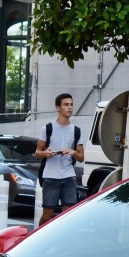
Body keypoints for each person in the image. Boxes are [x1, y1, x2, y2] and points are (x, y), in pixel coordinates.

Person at [34, 92, 83, 226]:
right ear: (58, 107)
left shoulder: (76, 131)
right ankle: (40, 239)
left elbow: (81, 158)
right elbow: (37, 152)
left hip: (69, 176)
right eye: (66, 104)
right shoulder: (48, 128)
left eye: (71, 104)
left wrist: (73, 152)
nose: (70, 107)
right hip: (50, 176)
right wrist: (46, 153)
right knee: (47, 215)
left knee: (67, 216)